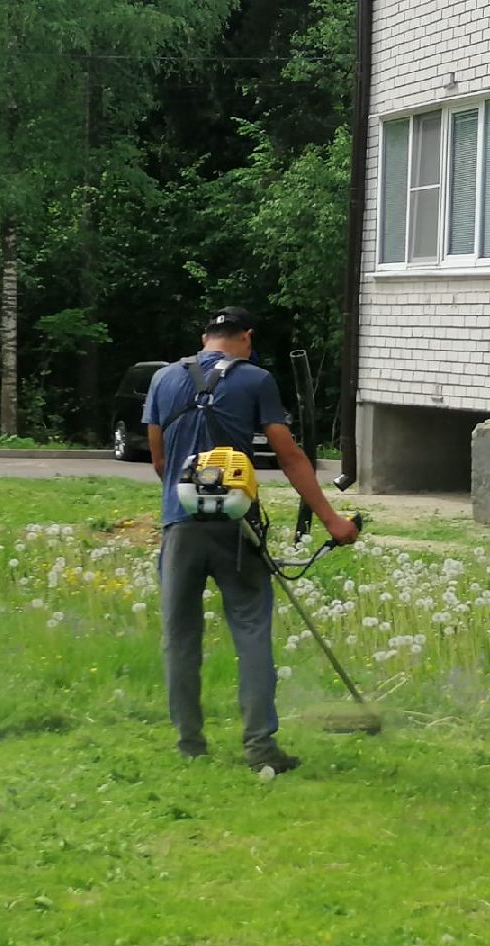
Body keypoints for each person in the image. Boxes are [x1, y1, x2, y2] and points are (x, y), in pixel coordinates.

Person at [142, 306, 359, 773]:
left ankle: (189, 745)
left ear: (205, 338)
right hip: (236, 528)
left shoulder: (163, 380)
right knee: (251, 632)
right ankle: (260, 747)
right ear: (246, 338)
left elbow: (159, 460)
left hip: (179, 524)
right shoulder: (255, 380)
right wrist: (332, 520)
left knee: (180, 638)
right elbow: (290, 456)